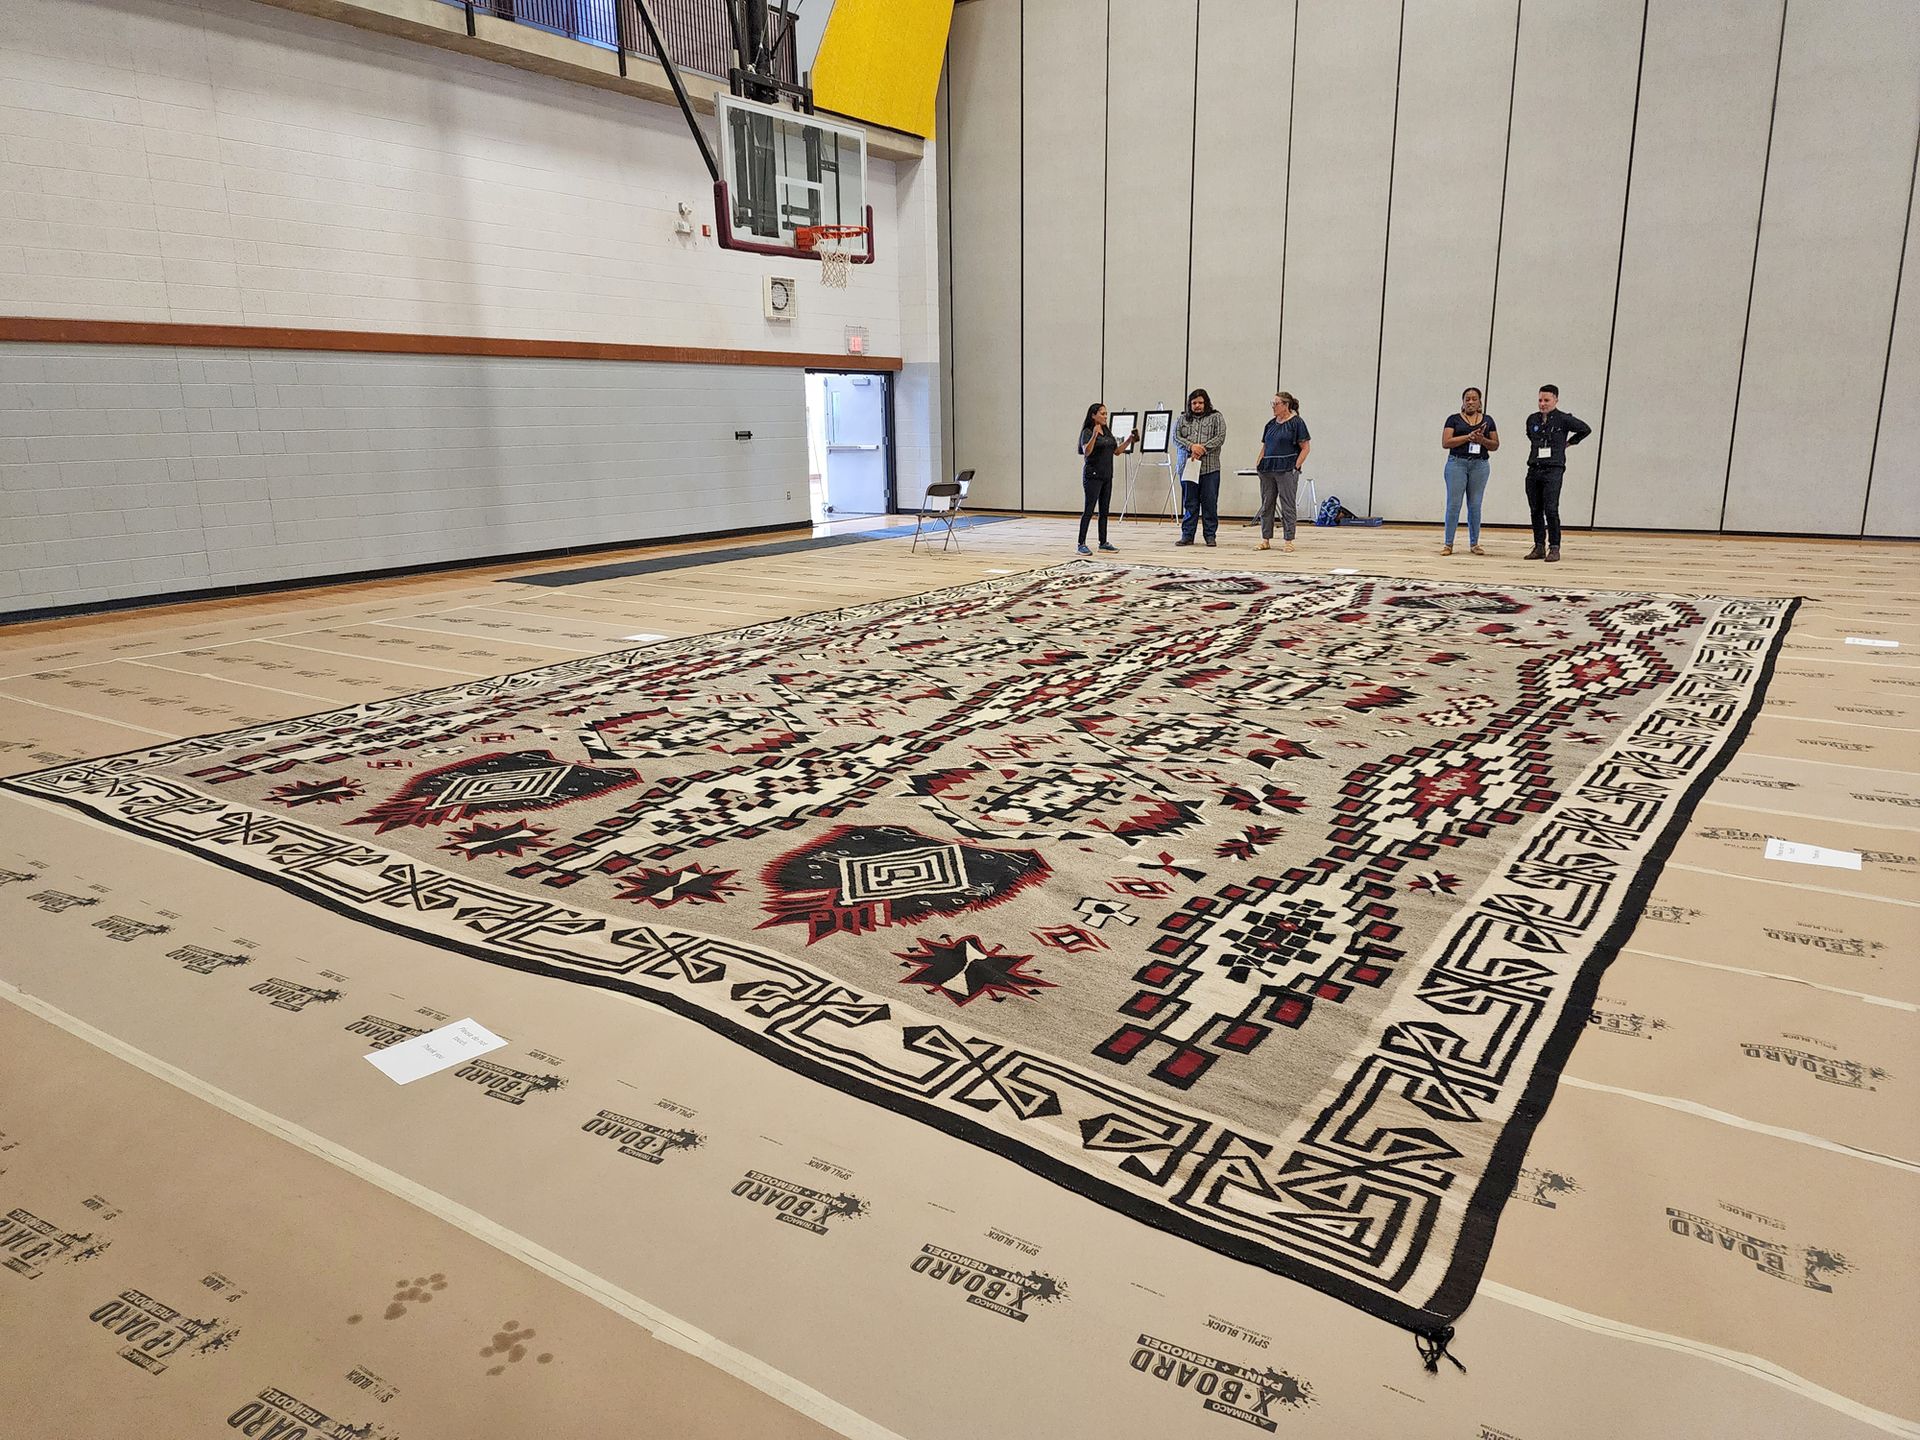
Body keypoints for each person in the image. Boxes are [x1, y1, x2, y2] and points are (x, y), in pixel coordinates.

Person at [1523, 384, 1591, 562]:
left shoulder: (1563, 419)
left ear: (1555, 400)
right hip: (1534, 468)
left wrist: (1569, 443)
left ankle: (1554, 546)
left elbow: (1585, 429)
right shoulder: (1532, 419)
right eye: (1540, 400)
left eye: (1547, 400)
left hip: (1553, 469)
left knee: (1551, 509)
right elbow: (1530, 436)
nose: (1542, 404)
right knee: (1535, 509)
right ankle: (1538, 545)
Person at [1439, 386, 1498, 556]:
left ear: (1480, 402)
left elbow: (1495, 445)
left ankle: (1474, 543)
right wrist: (1468, 437)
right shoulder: (1453, 419)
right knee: (1453, 504)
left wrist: (1482, 439)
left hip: (1480, 465)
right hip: (1457, 463)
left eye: (1474, 399)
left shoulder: (1488, 420)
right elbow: (1446, 442)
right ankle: (1448, 544)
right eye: (1467, 399)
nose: (1470, 402)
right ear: (1463, 402)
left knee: (1475, 505)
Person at [1252, 391, 1310, 552]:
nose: (1273, 407)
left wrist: (1295, 466)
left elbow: (1305, 448)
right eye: (1273, 403)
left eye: (1276, 403)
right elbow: (1265, 446)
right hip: (1267, 469)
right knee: (1267, 504)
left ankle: (1288, 540)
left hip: (1286, 469)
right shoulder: (1270, 424)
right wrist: (1259, 463)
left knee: (1287, 505)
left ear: (1286, 405)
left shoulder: (1297, 423)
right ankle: (1265, 539)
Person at [1077, 402, 1135, 554]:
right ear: (1093, 415)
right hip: (1093, 476)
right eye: (1102, 413)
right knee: (1089, 509)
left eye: (1105, 413)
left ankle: (1103, 542)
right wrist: (1095, 435)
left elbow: (1116, 451)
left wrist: (1129, 440)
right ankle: (1081, 543)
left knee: (1104, 510)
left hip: (1107, 476)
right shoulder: (1088, 432)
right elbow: (1086, 451)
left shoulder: (1107, 432)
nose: (1105, 416)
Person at [1174, 389, 1225, 547]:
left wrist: (1202, 448)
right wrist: (1191, 446)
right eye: (1194, 403)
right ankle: (1187, 535)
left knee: (1210, 503)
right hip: (1188, 468)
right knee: (1190, 503)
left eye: (1200, 403)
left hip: (1210, 468)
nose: (1197, 406)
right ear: (1190, 404)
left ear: (1206, 403)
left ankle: (1210, 536)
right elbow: (1176, 438)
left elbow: (1220, 437)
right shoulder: (1182, 418)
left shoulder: (1216, 417)